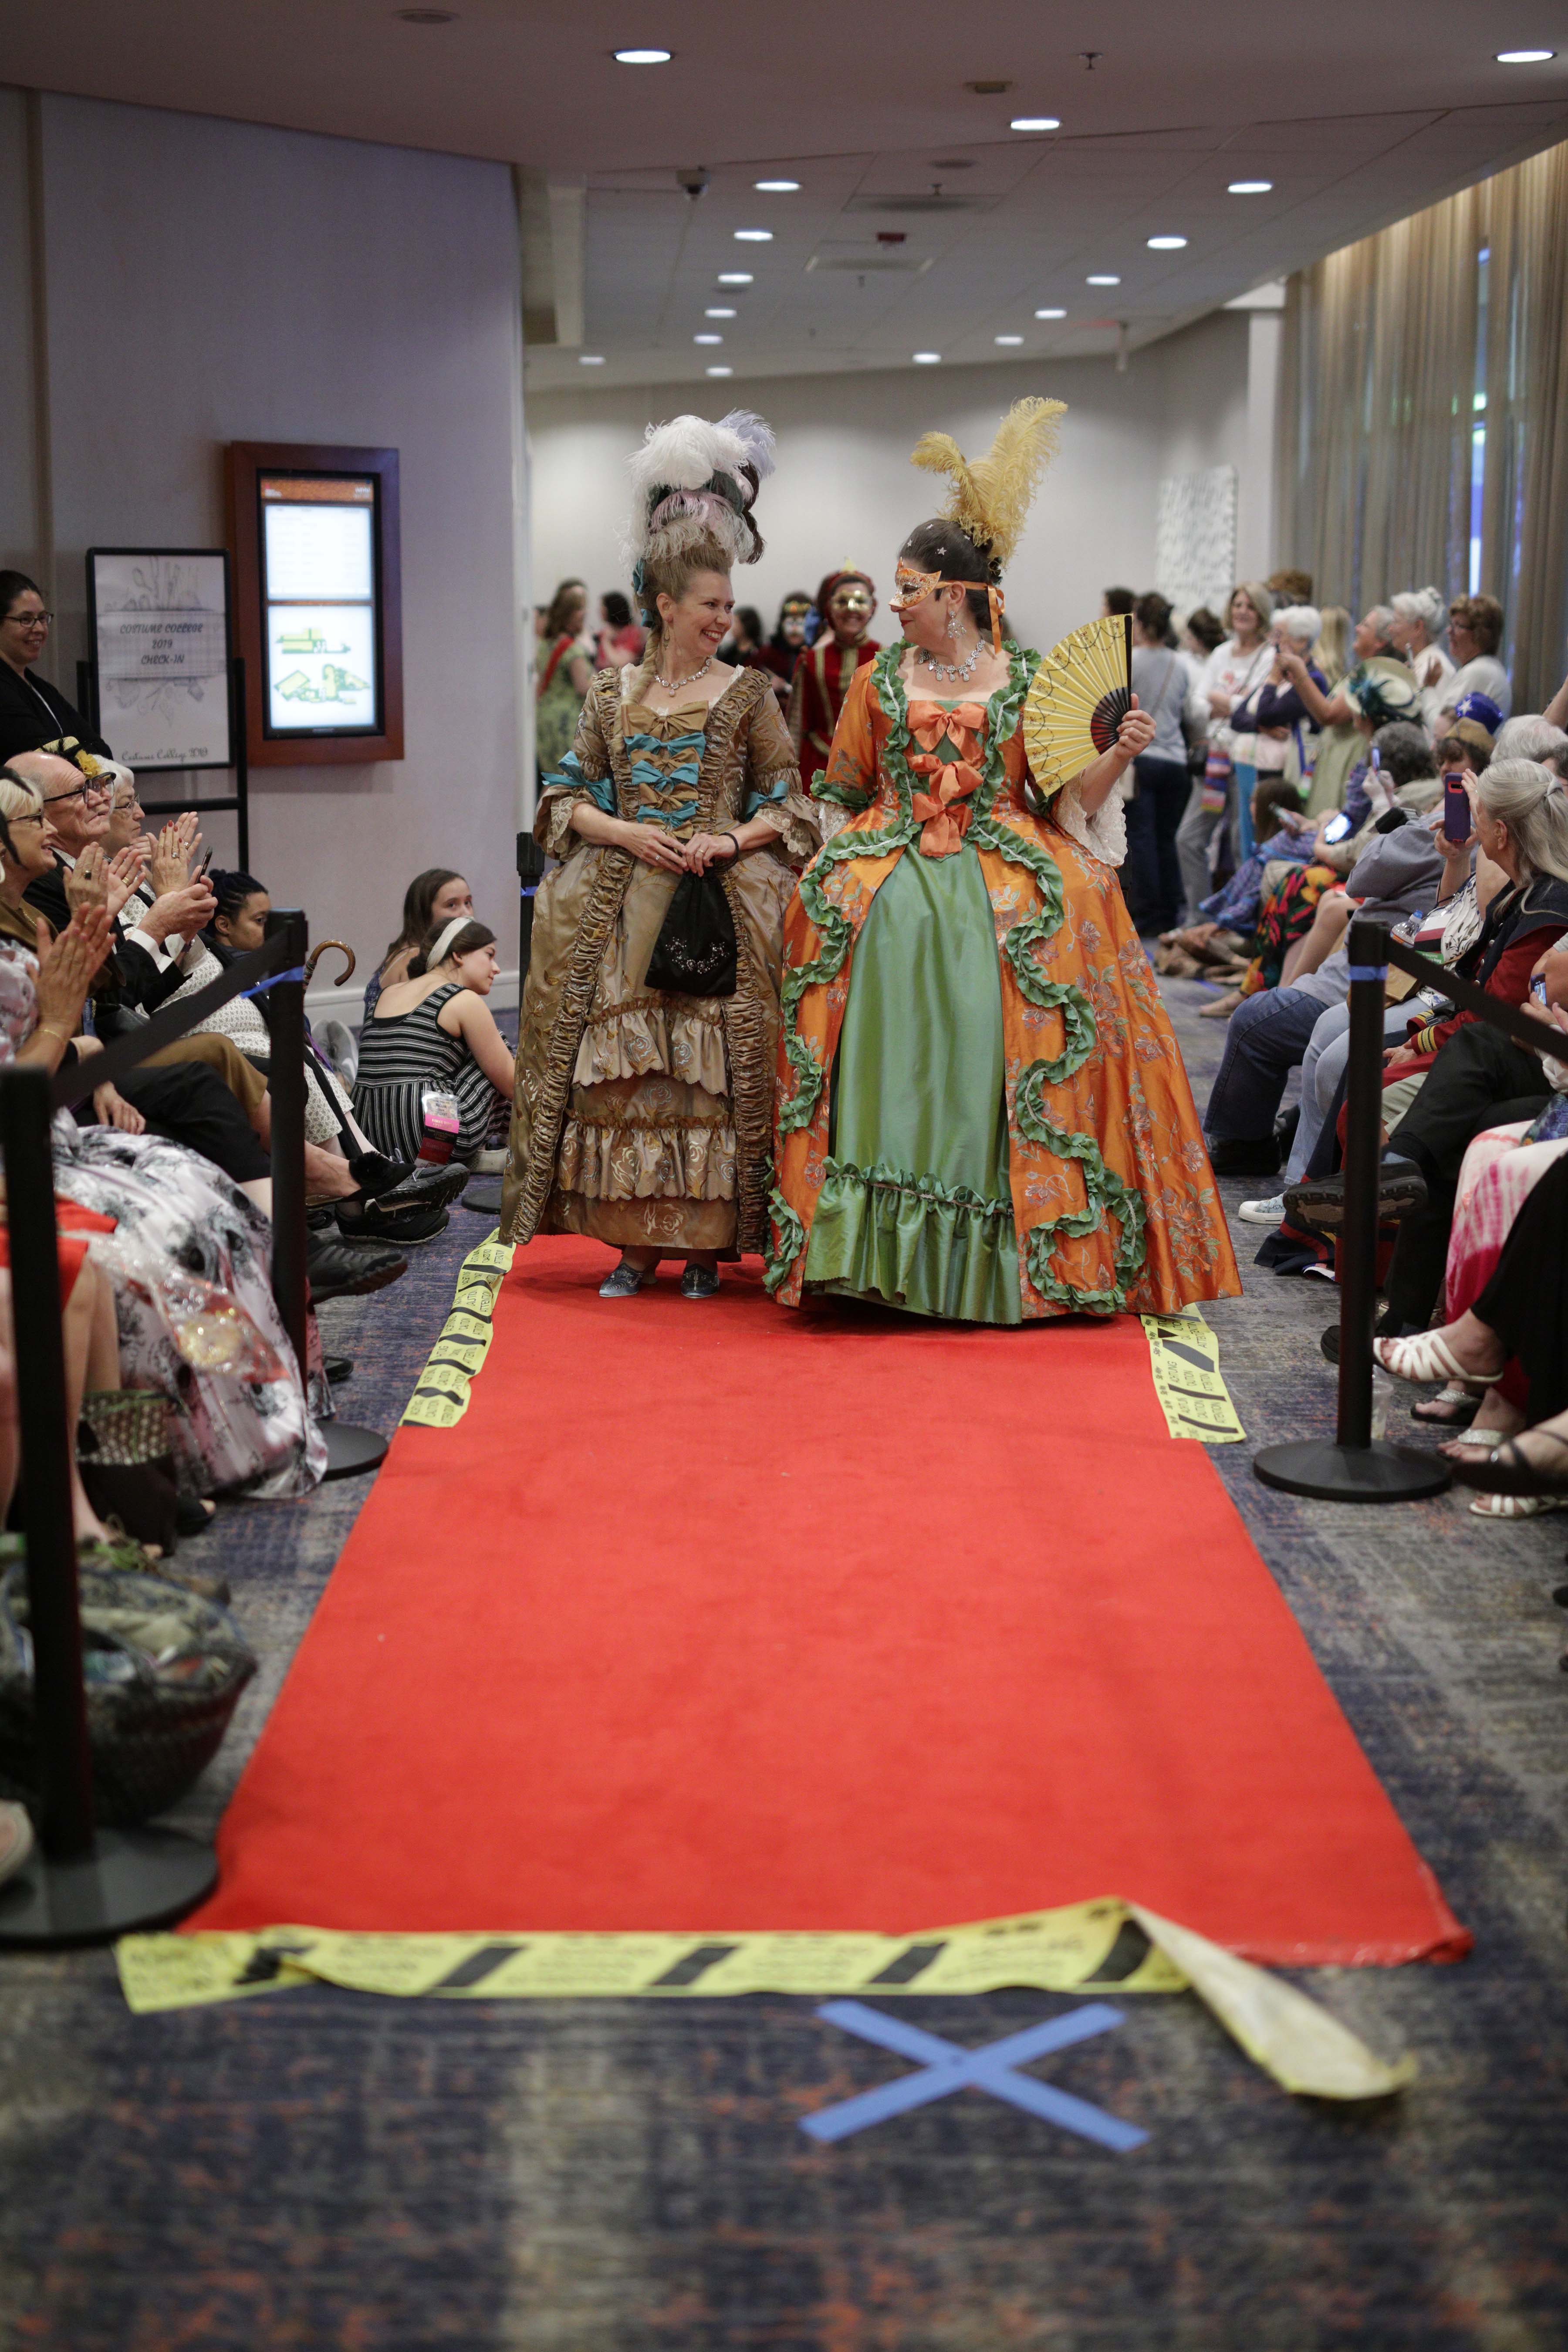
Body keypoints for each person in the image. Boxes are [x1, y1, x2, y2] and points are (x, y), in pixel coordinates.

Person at [769, 398, 1240, 1325]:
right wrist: (848, 865)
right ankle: (866, 1255)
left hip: (1001, 868)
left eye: (908, 587)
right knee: (851, 928)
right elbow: (848, 795)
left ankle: (1001, 1253)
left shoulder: (1024, 682)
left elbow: (1067, 808)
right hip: (893, 865)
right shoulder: (876, 679)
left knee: (1051, 931)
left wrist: (1118, 753)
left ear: (954, 593)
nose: (893, 603)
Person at [501, 409, 818, 1298]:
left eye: (728, 603)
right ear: (668, 604)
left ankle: (711, 1245)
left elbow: (790, 801)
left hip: (720, 900)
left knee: (711, 1076)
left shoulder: (752, 693)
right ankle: (636, 1245)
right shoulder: (608, 695)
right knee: (633, 1078)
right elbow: (561, 798)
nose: (726, 618)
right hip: (624, 907)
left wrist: (730, 837)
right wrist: (628, 831)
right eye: (712, 605)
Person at [354, 916, 514, 1169]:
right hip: (427, 1138)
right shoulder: (463, 999)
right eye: (490, 955)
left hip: (367, 1139)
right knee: (504, 1051)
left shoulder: (388, 992)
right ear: (459, 954)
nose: (496, 968)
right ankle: (514, 1149)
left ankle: (474, 1152)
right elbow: (513, 1085)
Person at [1175, 582, 1275, 920]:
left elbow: (1259, 709)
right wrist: (1236, 706)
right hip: (1215, 760)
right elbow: (1197, 705)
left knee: (1241, 843)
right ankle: (1198, 920)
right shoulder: (1221, 654)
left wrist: (1226, 703)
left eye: (1250, 605)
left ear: (1261, 613)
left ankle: (1241, 923)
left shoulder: (1270, 657)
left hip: (1248, 761)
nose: (1242, 611)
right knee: (1188, 838)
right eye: (1237, 605)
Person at [1122, 591, 1196, 936]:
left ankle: (1148, 915)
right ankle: (1172, 910)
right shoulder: (1181, 664)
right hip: (1176, 760)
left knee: (1142, 839)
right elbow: (1192, 712)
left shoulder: (1131, 660)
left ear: (1140, 622)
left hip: (1143, 758)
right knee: (1168, 839)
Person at [0, 571, 112, 765]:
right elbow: (46, 759)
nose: (40, 629)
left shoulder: (42, 688)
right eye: (26, 620)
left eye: (43, 618)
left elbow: (102, 749)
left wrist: (77, 757)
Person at [786, 567, 880, 792]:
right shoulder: (810, 660)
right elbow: (796, 726)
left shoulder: (888, 659)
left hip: (871, 770)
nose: (851, 610)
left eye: (859, 601)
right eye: (843, 601)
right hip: (817, 767)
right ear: (829, 608)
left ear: (872, 607)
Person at [365, 868, 474, 1019]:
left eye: (468, 902)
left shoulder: (408, 949)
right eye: (452, 905)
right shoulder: (416, 958)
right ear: (424, 912)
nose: (467, 913)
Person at [535, 580, 595, 780]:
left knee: (552, 780)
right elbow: (582, 686)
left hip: (545, 716)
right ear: (568, 614)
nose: (584, 614)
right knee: (566, 782)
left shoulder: (546, 644)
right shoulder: (572, 649)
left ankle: (541, 813)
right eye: (580, 609)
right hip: (566, 723)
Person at [1440, 595, 1511, 722]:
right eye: (1451, 624)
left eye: (1458, 626)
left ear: (1481, 634)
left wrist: (1427, 690)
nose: (1449, 631)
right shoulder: (1488, 667)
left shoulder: (1477, 672)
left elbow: (1441, 728)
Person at [1390, 586, 1455, 724]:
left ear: (1417, 627)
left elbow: (1437, 725)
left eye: (1396, 622)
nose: (1391, 629)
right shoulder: (1419, 662)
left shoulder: (1436, 667)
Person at [593, 590, 645, 671]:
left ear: (611, 608)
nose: (599, 610)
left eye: (603, 606)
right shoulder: (603, 633)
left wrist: (606, 641)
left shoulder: (632, 633)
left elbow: (622, 664)